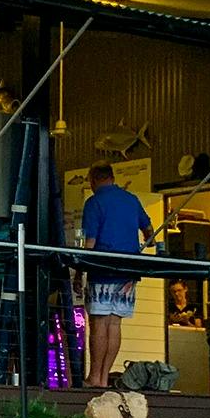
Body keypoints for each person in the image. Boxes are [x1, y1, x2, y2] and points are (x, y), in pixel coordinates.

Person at [79, 162, 153, 387]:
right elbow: (149, 232)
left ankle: (95, 377)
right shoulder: (131, 200)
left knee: (98, 324)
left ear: (94, 180)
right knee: (115, 324)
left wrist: (78, 273)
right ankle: (104, 375)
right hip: (128, 272)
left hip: (102, 270)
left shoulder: (94, 203)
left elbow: (90, 243)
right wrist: (136, 253)